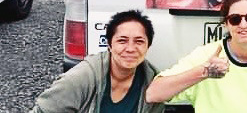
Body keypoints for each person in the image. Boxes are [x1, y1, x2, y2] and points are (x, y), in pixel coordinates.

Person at [30, 10, 164, 113]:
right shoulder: (82, 77)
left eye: (139, 41)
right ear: (110, 45)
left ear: (148, 46)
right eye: (122, 41)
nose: (130, 49)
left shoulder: (153, 83)